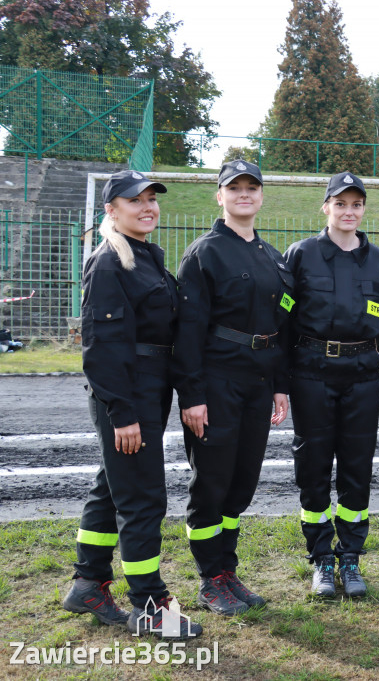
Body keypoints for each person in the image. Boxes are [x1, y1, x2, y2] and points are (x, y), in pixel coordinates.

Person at [64, 170, 201, 639]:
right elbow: (100, 346)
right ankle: (149, 606)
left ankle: (88, 583)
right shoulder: (109, 262)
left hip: (147, 388)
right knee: (143, 498)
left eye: (151, 199)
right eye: (134, 200)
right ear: (111, 209)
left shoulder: (144, 256)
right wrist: (122, 413)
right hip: (128, 394)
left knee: (113, 487)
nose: (147, 207)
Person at [174, 160, 293, 616]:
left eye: (252, 187)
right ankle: (209, 580)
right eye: (234, 188)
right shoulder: (204, 253)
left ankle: (227, 571)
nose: (244, 194)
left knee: (241, 482)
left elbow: (280, 325)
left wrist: (280, 386)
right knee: (212, 483)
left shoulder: (271, 256)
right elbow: (187, 332)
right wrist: (193, 395)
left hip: (258, 383)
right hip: (216, 382)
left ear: (262, 196)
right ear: (218, 196)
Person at [283, 172, 379, 598]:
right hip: (312, 374)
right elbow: (284, 317)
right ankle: (321, 560)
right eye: (340, 203)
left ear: (363, 209)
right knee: (313, 468)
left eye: (356, 204)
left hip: (363, 377)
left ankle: (350, 558)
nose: (349, 211)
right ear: (325, 207)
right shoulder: (301, 255)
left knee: (356, 468)